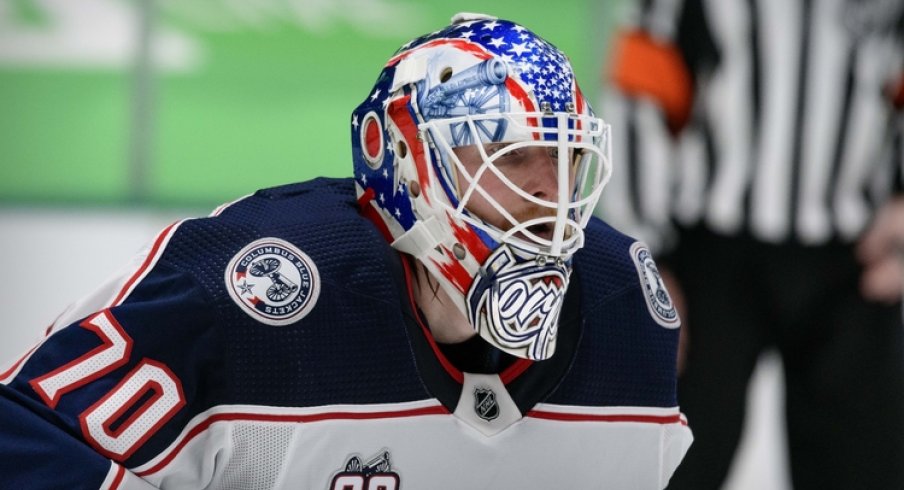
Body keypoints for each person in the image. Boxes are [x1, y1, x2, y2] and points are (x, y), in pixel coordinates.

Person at [0, 12, 692, 490]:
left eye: (567, 158)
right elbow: (26, 434)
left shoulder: (624, 308)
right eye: (512, 158)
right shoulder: (256, 289)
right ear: (408, 166)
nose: (553, 197)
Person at [598, 0, 904, 488]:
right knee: (671, 463)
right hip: (710, 252)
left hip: (858, 256)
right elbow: (643, 80)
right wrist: (648, 257)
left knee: (861, 466)